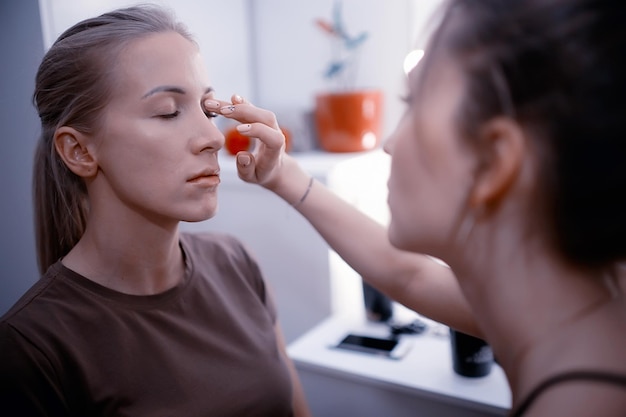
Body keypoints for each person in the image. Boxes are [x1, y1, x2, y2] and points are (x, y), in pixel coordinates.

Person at [209, 0, 626, 415]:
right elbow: (409, 276)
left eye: (412, 104)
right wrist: (283, 176)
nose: (389, 143)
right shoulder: (576, 305)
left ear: (495, 159)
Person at [0, 5, 310, 416]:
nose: (212, 138)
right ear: (79, 150)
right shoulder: (31, 347)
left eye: (208, 110)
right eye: (168, 112)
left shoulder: (236, 264)